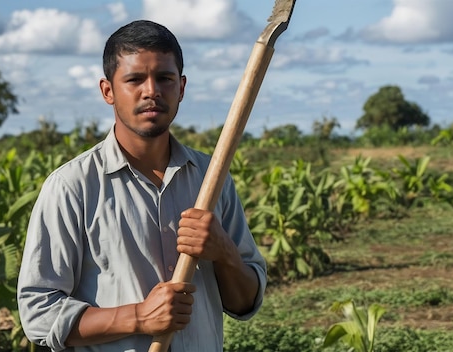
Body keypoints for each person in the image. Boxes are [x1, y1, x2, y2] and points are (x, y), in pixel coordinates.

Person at [17, 19, 267, 352]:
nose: (152, 91)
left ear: (181, 87)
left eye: (165, 78)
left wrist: (224, 253)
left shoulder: (213, 176)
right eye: (134, 79)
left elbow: (245, 302)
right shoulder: (72, 187)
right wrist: (138, 317)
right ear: (108, 91)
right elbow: (39, 312)